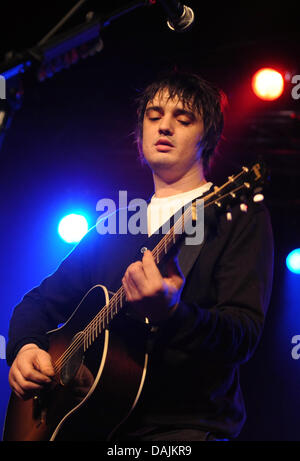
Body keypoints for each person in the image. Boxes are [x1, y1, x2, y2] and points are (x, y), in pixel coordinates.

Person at [6, 70, 274, 442]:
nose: (164, 127)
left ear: (207, 137)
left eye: (183, 119)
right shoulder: (114, 223)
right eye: (154, 116)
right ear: (140, 132)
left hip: (185, 428)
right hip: (97, 426)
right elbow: (37, 302)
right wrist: (24, 348)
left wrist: (173, 315)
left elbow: (243, 335)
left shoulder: (232, 212)